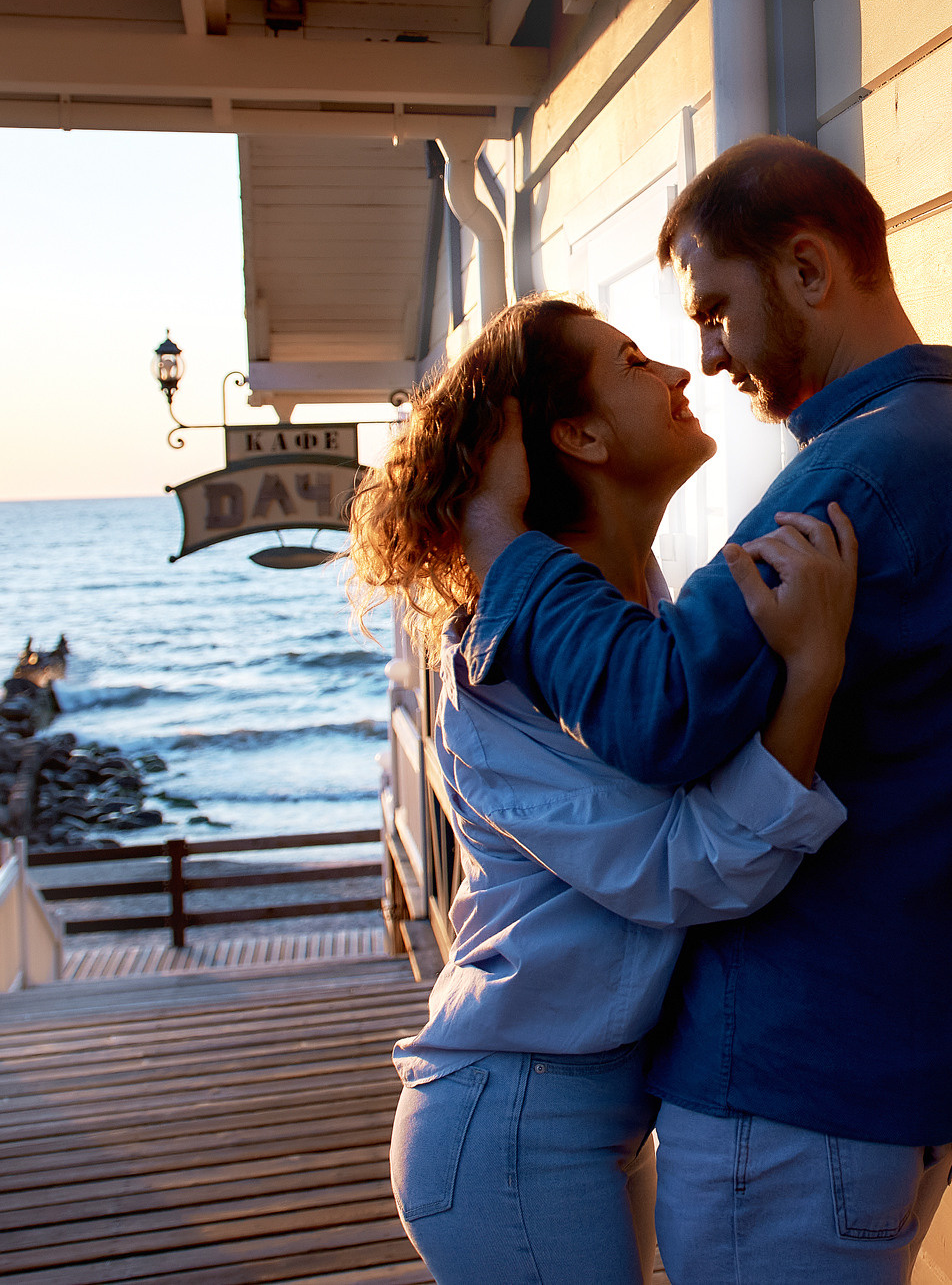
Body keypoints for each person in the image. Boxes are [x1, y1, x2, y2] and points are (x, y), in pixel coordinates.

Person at [456, 137, 952, 1283]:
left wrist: (502, 549)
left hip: (801, 1077)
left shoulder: (860, 477)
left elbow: (657, 707)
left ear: (811, 272)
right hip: (882, 1062)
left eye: (717, 311)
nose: (707, 355)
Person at [347, 293, 863, 1284]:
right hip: (511, 1124)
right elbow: (683, 869)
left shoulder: (643, 620)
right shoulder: (490, 673)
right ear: (578, 434)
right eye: (632, 362)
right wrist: (809, 676)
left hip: (585, 1112)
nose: (677, 373)